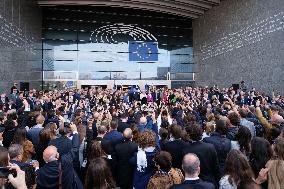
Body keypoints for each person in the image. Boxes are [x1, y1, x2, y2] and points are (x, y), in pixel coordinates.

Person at [36, 123, 83, 189]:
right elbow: (75, 148)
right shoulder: (66, 162)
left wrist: (37, 168)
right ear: (57, 155)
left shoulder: (41, 172)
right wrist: (75, 131)